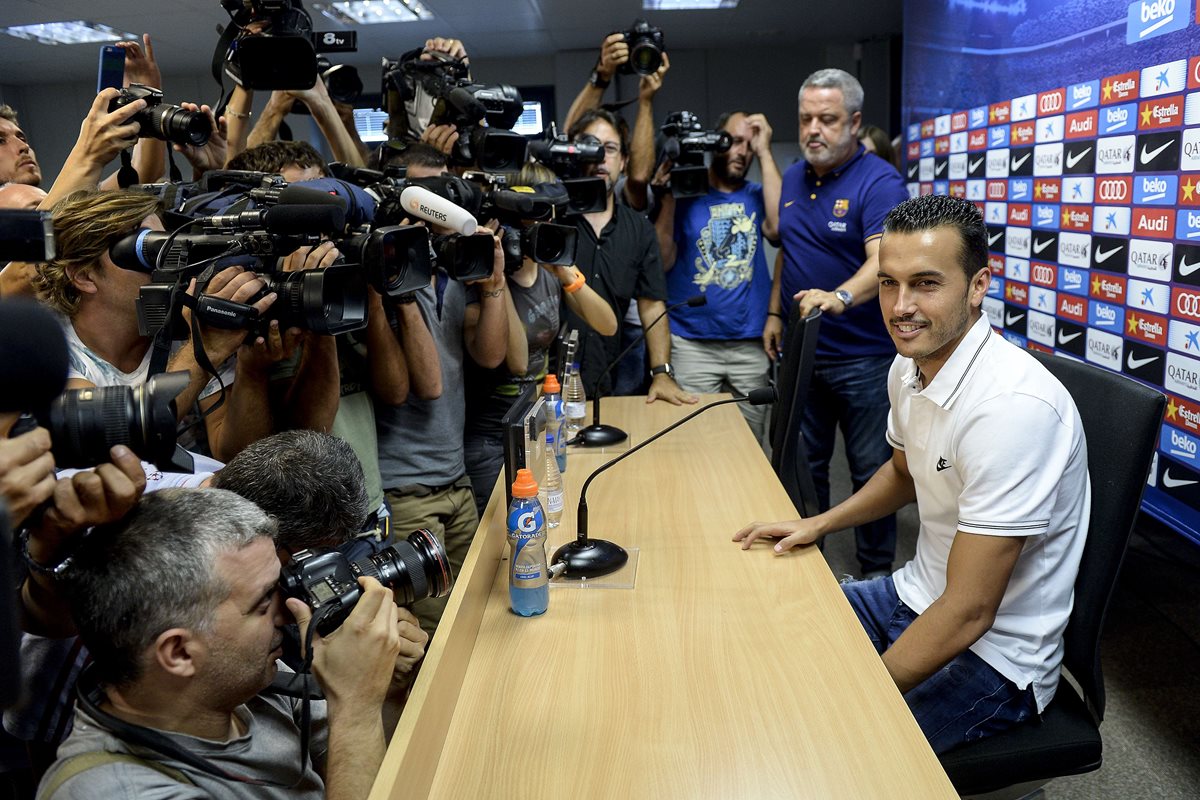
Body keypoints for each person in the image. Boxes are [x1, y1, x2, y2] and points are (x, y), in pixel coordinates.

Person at [735, 194, 1090, 754]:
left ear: (978, 286)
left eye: (926, 283)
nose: (901, 306)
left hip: (997, 655)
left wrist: (861, 692)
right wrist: (819, 524)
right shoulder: (909, 367)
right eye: (888, 282)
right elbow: (904, 473)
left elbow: (971, 610)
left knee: (826, 744)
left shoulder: (1013, 408)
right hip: (914, 595)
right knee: (757, 624)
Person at [37, 488, 404, 799]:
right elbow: (354, 734)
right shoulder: (116, 790)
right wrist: (356, 704)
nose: (291, 611)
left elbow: (363, 761)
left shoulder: (250, 677)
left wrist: (386, 684)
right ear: (179, 653)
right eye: (264, 603)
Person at [766, 68, 908, 579]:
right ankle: (816, 570)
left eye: (827, 119)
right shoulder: (795, 175)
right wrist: (773, 313)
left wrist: (842, 296)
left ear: (854, 122)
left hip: (864, 358)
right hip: (804, 352)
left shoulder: (879, 181)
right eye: (806, 118)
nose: (813, 130)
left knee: (873, 472)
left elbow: (883, 261)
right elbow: (792, 251)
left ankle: (876, 577)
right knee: (808, 469)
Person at [374, 145, 508, 638]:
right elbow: (426, 387)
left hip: (456, 482)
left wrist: (493, 284)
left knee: (480, 613)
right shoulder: (392, 287)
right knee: (432, 636)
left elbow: (491, 356)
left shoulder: (452, 283)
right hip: (407, 490)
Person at [463, 162, 618, 514]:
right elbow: (516, 362)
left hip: (535, 427)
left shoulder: (549, 273)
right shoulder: (483, 282)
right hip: (492, 442)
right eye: (533, 219)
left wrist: (563, 268)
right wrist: (502, 277)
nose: (542, 226)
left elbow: (608, 324)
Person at [653, 110, 781, 443]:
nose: (742, 152)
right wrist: (667, 196)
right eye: (734, 141)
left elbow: (780, 228)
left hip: (749, 344)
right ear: (715, 142)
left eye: (749, 146)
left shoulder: (756, 194)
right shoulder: (687, 191)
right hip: (692, 343)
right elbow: (662, 261)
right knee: (695, 444)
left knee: (751, 445)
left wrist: (766, 151)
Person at [566, 108, 695, 405]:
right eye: (591, 147)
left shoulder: (639, 230)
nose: (600, 158)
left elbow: (652, 305)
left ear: (623, 162)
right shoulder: (553, 220)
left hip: (611, 378)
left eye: (609, 149)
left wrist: (662, 372)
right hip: (551, 381)